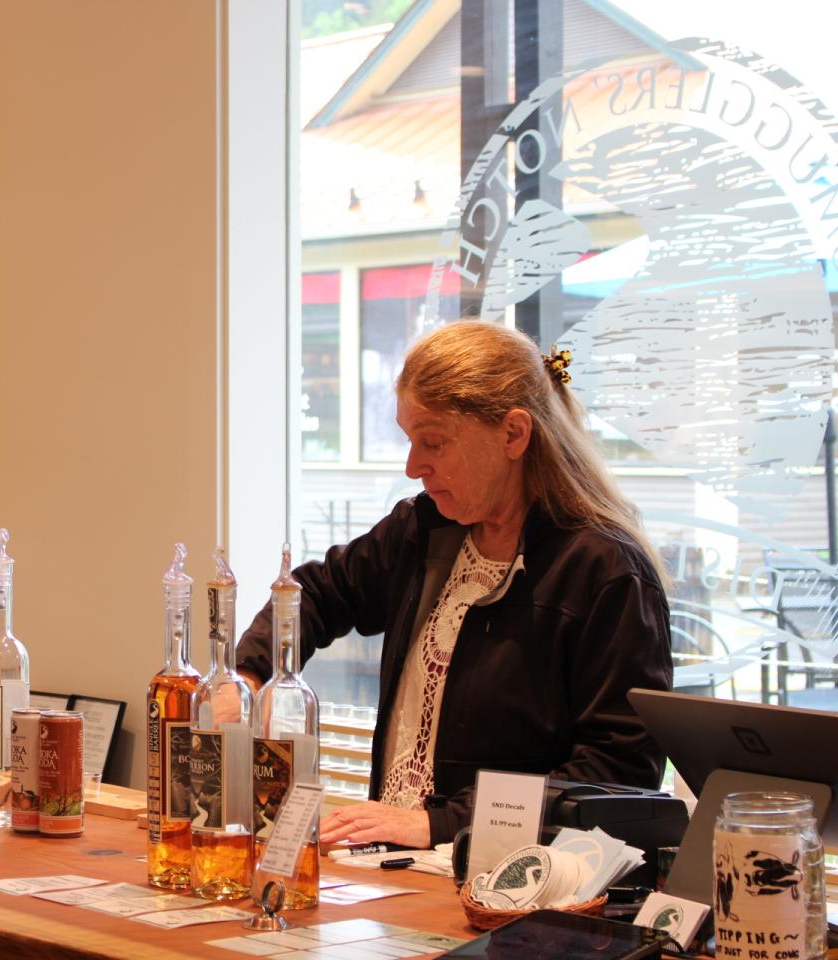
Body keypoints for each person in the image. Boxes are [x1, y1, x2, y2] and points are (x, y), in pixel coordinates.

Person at [236, 321, 673, 849]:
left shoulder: (605, 571)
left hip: (511, 876)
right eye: (410, 441)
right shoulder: (425, 530)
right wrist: (248, 675)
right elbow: (318, 593)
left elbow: (617, 774)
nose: (413, 466)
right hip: (398, 864)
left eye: (434, 442)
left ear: (513, 434)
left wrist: (441, 822)